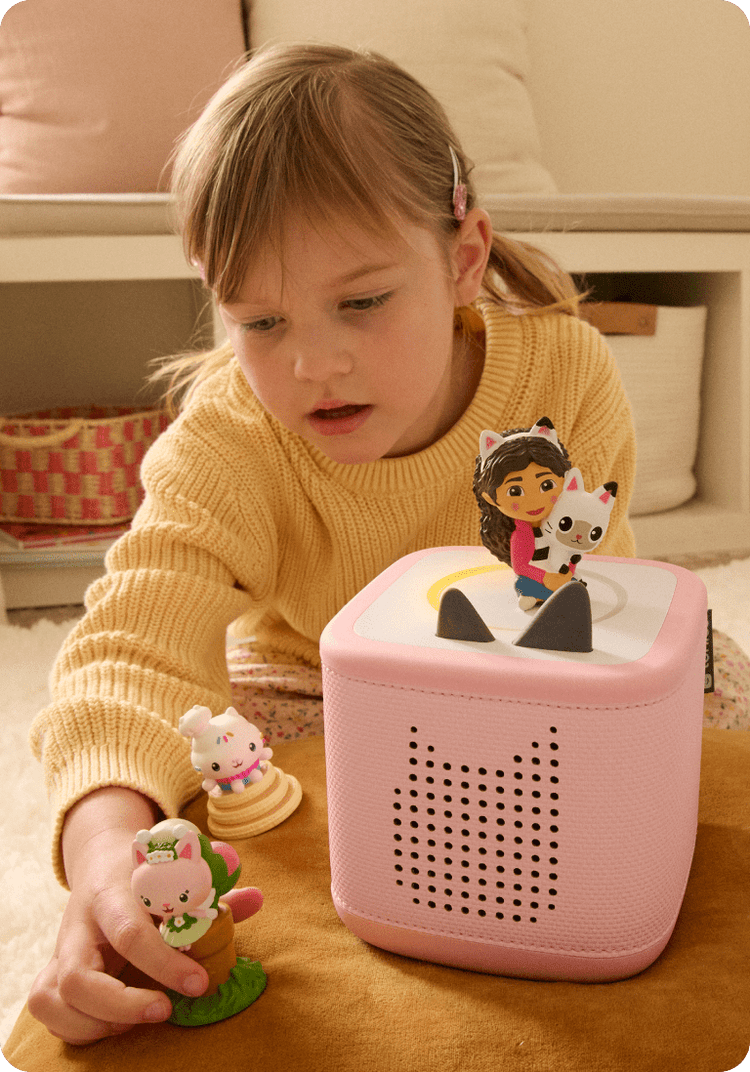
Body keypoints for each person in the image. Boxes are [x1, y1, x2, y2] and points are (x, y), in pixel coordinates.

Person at [25, 42, 636, 1045]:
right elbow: (132, 651)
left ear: (464, 258)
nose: (313, 361)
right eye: (260, 321)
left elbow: (603, 597)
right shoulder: (227, 440)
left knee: (709, 719)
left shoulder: (566, 373)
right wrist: (104, 849)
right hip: (313, 680)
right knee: (218, 791)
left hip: (532, 677)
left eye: (361, 301)